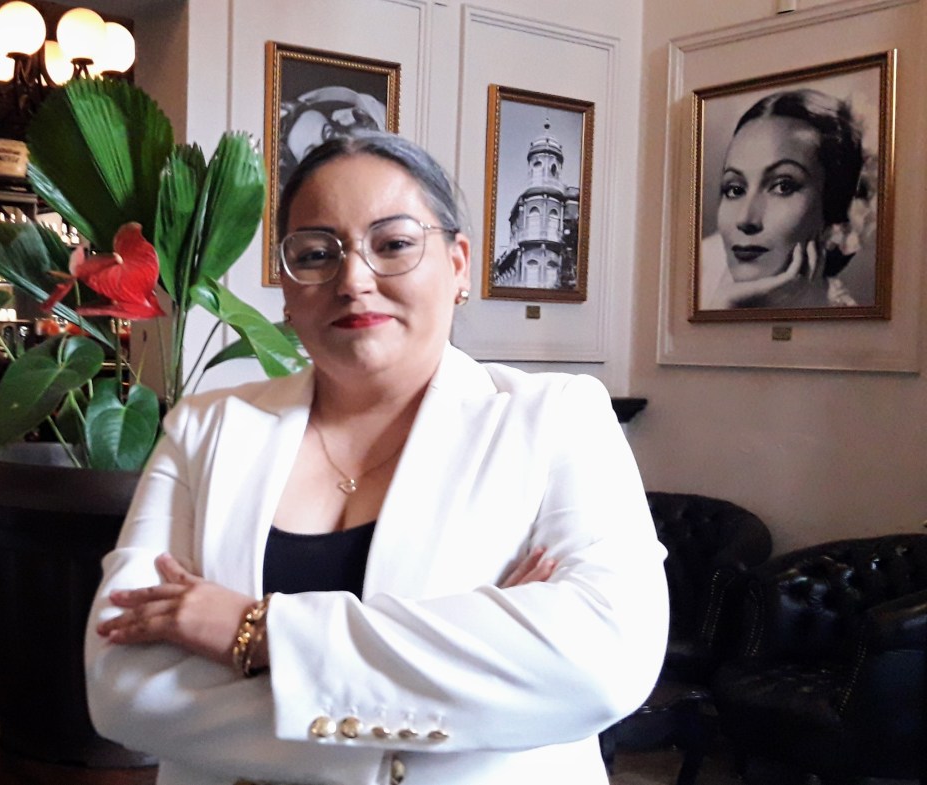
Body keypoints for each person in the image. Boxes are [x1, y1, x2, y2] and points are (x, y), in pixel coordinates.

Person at [85, 131, 668, 785]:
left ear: (458, 265)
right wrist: (460, 688)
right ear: (287, 287)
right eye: (315, 254)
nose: (354, 280)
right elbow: (122, 687)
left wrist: (254, 631)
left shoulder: (558, 418)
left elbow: (603, 663)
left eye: (393, 245)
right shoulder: (205, 429)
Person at [699, 88, 872, 310]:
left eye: (782, 187)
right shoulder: (702, 266)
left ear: (836, 223)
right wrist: (724, 306)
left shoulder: (852, 327)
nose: (745, 219)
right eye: (735, 189)